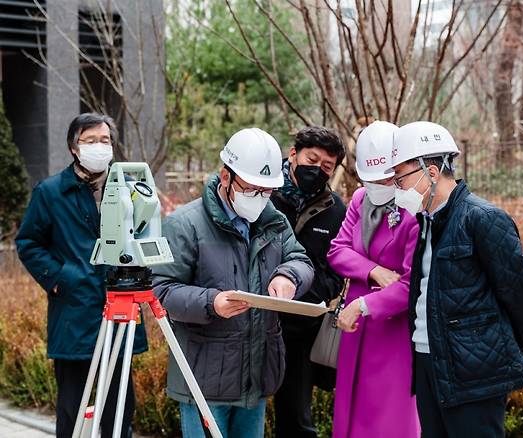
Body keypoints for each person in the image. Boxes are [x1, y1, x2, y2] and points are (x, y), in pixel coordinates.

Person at [152, 128, 314, 438]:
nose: (260, 199)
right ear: (226, 177)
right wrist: (211, 303)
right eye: (252, 189)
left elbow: (301, 261)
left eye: (266, 191)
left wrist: (288, 276)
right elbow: (161, 289)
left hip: (256, 373)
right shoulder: (185, 224)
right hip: (204, 379)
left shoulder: (273, 221)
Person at [391, 121, 523, 437]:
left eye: (400, 178)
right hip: (429, 360)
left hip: (475, 373)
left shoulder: (482, 218)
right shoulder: (427, 223)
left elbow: (520, 293)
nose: (396, 187)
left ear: (430, 173)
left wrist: (506, 348)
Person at [15, 113, 148, 438]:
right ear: (74, 148)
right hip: (74, 314)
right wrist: (61, 277)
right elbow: (28, 242)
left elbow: (143, 232)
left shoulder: (130, 187)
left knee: (119, 410)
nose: (99, 147)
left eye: (104, 140)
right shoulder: (51, 192)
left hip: (120, 308)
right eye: (90, 140)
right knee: (73, 411)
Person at [327, 121, 420, 438]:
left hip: (392, 331)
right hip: (354, 326)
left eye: (387, 178)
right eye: (372, 179)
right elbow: (337, 250)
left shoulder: (414, 210)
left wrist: (369, 302)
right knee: (349, 416)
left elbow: (412, 284)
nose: (379, 185)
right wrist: (374, 270)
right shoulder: (360, 200)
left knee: (388, 419)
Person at [270, 126, 347, 438]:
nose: (317, 170)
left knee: (296, 416)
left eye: (326, 167)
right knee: (240, 406)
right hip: (251, 318)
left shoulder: (336, 211)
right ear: (293, 155)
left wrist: (306, 297)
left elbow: (336, 270)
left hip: (301, 327)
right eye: (311, 160)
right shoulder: (263, 196)